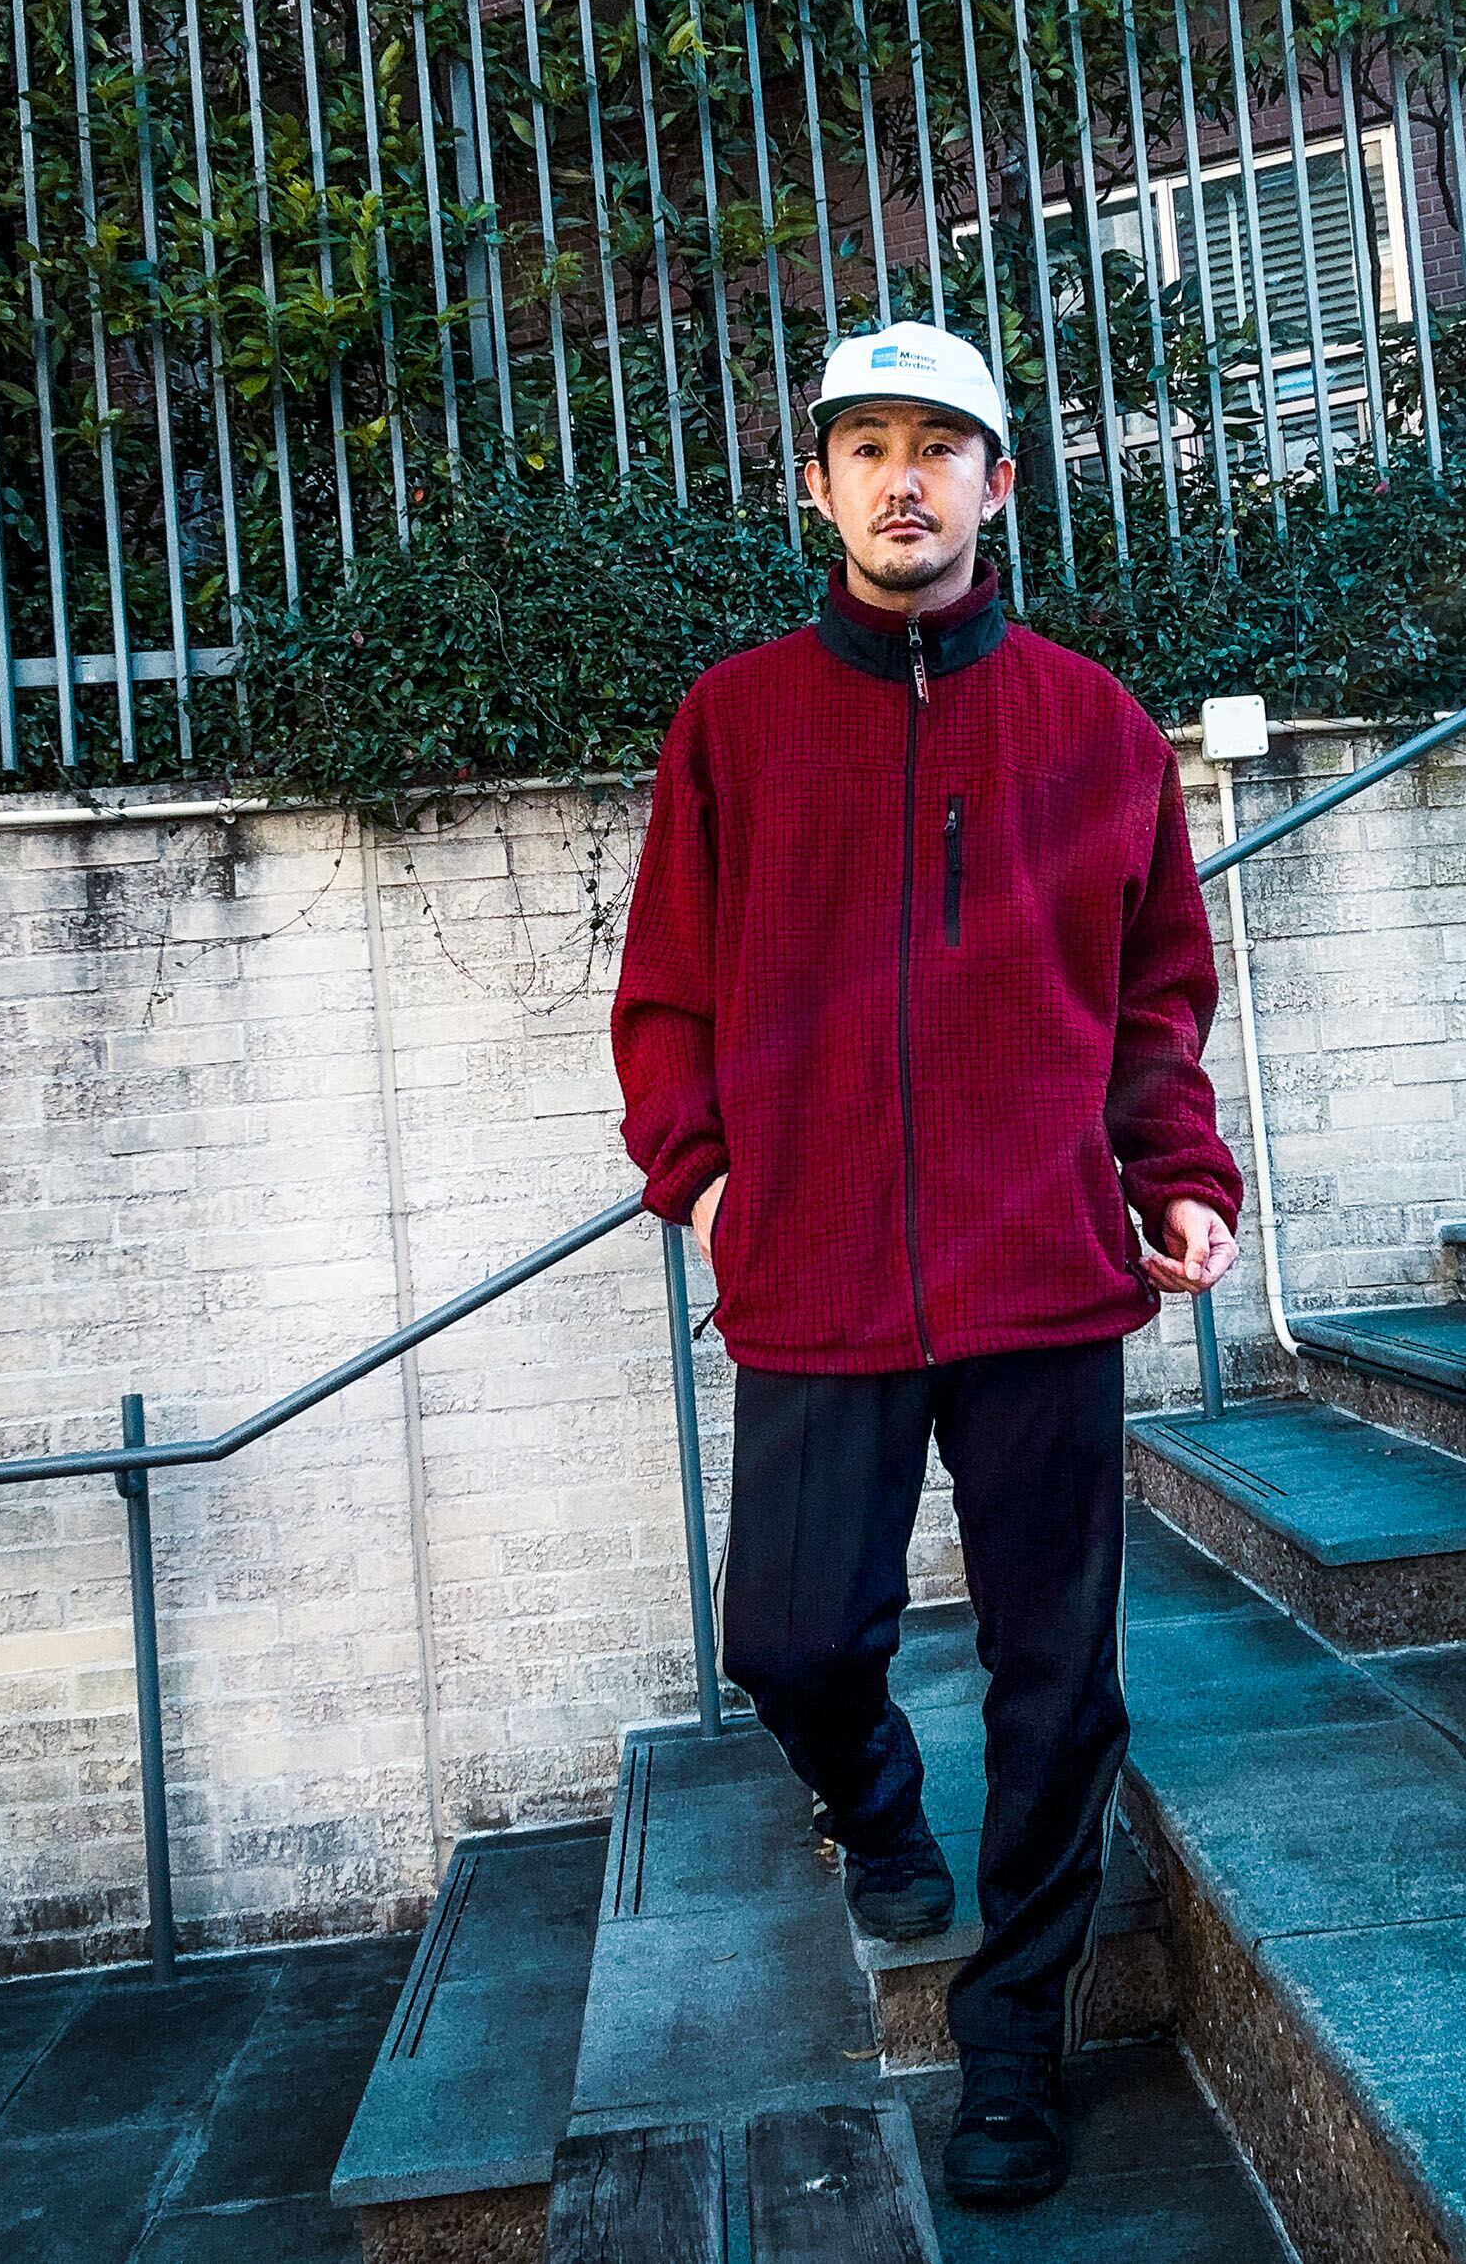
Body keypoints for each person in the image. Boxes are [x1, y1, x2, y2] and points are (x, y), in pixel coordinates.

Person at [609, 320, 1244, 2207]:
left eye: (939, 445)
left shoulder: (1095, 726)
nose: (905, 477)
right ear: (817, 485)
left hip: (1040, 1268)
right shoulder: (733, 724)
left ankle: (1016, 2042)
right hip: (815, 1278)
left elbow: (1155, 991)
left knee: (1058, 1678)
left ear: (997, 485)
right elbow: (668, 994)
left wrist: (1176, 1170)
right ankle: (876, 1811)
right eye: (868, 445)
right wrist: (706, 1185)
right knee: (790, 1639)